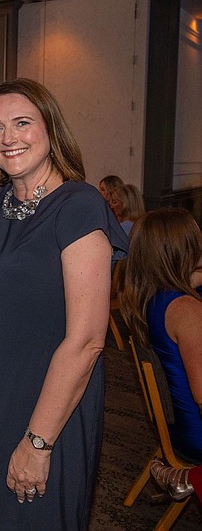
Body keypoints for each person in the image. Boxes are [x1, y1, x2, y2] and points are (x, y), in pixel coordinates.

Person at [0, 78, 128, 529]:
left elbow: (86, 341)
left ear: (50, 129)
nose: (9, 138)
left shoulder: (78, 206)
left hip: (42, 409)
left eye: (22, 123)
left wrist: (37, 442)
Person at [120, 208, 202, 501]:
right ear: (186, 248)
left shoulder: (151, 297)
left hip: (177, 427)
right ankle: (191, 477)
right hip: (196, 436)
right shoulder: (187, 311)